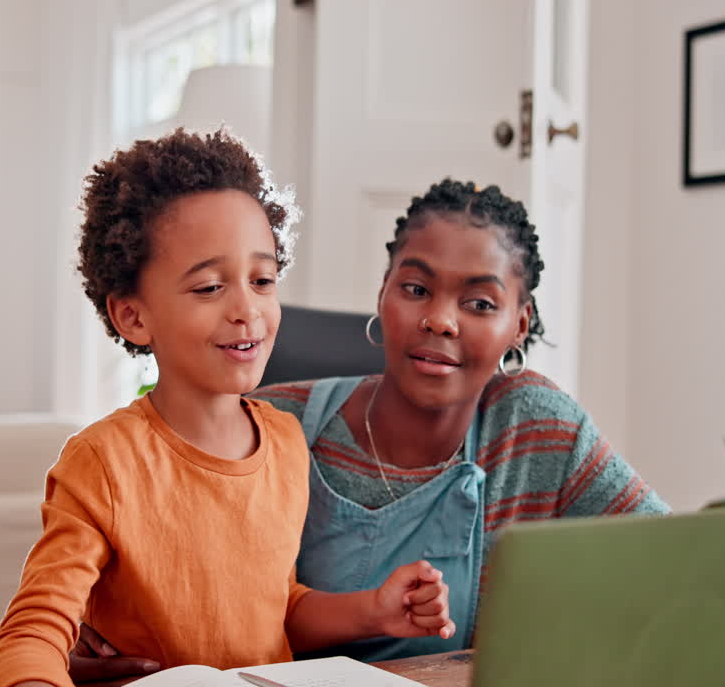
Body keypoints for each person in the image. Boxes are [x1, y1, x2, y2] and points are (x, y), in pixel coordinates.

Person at [67, 178, 668, 679]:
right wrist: (95, 632)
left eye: (480, 304)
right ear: (383, 294)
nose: (439, 319)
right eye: (415, 289)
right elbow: (134, 550)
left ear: (520, 322)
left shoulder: (536, 429)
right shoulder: (274, 424)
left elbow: (682, 568)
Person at [0, 131, 455, 687]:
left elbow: (273, 608)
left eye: (262, 280)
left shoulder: (284, 442)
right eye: (209, 287)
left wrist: (371, 610)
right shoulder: (102, 462)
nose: (246, 310)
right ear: (134, 316)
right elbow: (33, 631)